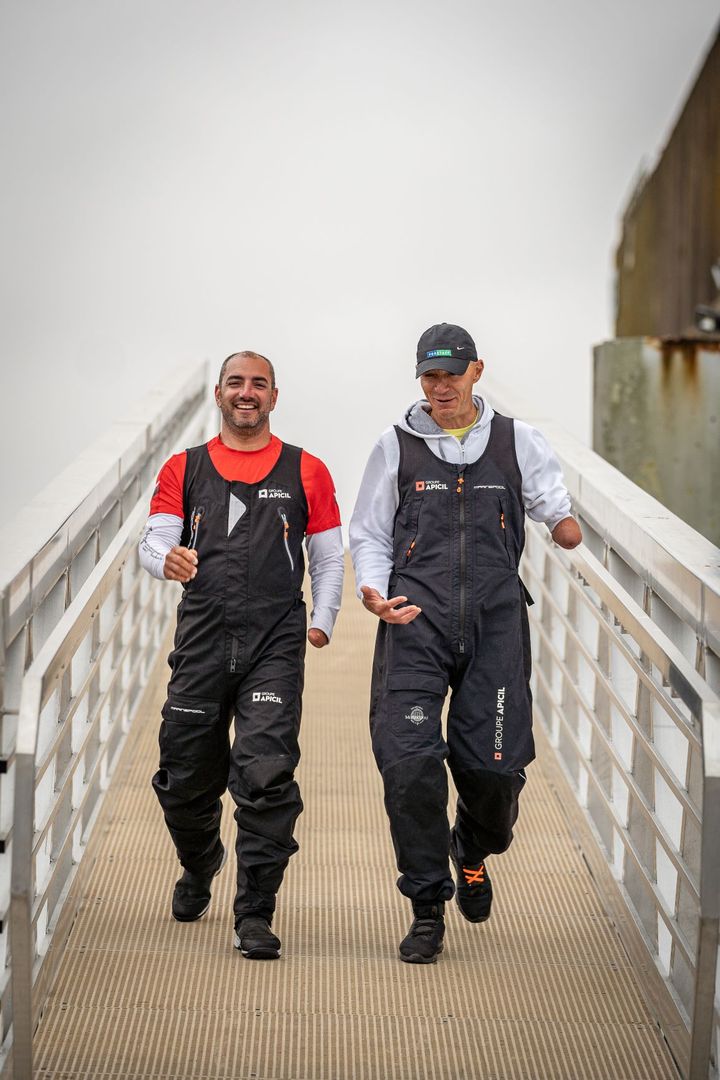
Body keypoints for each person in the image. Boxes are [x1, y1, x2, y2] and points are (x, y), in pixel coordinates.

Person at [349, 323, 581, 964]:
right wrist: (373, 590)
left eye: (452, 373)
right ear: (419, 377)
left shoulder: (516, 440)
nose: (441, 386)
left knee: (495, 774)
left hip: (496, 625)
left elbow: (547, 498)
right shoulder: (395, 446)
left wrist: (561, 521)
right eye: (430, 375)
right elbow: (368, 532)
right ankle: (427, 908)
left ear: (477, 371)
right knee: (411, 766)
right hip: (412, 623)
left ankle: (473, 851)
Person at [139, 350, 344, 960]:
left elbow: (329, 556)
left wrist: (325, 618)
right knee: (183, 778)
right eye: (236, 382)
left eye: (259, 384)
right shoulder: (184, 467)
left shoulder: (308, 470)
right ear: (219, 394)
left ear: (274, 397)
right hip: (202, 639)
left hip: (274, 641)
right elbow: (153, 544)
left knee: (266, 775)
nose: (247, 392)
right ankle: (200, 863)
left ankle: (255, 910)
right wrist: (165, 561)